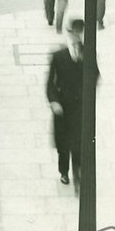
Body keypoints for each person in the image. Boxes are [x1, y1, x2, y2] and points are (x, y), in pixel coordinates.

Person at [46, 18, 94, 193]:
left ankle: (78, 175)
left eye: (80, 33)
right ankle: (64, 170)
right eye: (74, 33)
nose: (77, 37)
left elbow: (95, 75)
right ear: (69, 33)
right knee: (63, 144)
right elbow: (50, 83)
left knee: (78, 142)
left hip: (79, 106)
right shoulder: (59, 56)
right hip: (63, 107)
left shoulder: (88, 53)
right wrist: (54, 101)